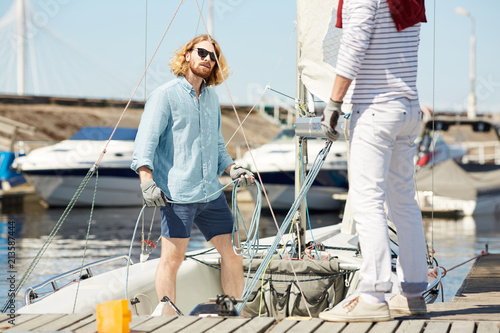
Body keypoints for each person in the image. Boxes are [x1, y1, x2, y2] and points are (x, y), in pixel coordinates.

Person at [318, 0, 428, 322]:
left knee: (367, 200)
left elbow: (354, 45)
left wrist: (334, 103)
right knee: (403, 202)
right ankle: (412, 293)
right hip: (408, 107)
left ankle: (373, 293)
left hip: (377, 109)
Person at [131, 34, 254, 315]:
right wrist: (146, 181)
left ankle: (234, 312)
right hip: (177, 194)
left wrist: (233, 169)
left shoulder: (212, 98)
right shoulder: (165, 95)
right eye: (202, 53)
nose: (208, 60)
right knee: (172, 260)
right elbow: (145, 142)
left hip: (211, 193)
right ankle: (169, 318)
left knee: (233, 254)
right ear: (187, 55)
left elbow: (218, 145)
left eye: (213, 56)